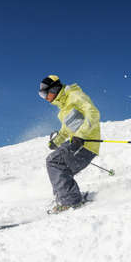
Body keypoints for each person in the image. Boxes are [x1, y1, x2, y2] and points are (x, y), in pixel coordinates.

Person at [39, 75, 101, 213]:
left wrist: (81, 135)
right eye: (42, 95)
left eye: (45, 94)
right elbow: (67, 130)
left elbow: (93, 113)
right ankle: (63, 196)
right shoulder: (63, 109)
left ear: (54, 89)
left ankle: (70, 201)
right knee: (57, 162)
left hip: (86, 143)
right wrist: (56, 141)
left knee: (54, 162)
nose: (45, 98)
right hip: (77, 143)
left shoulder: (74, 95)